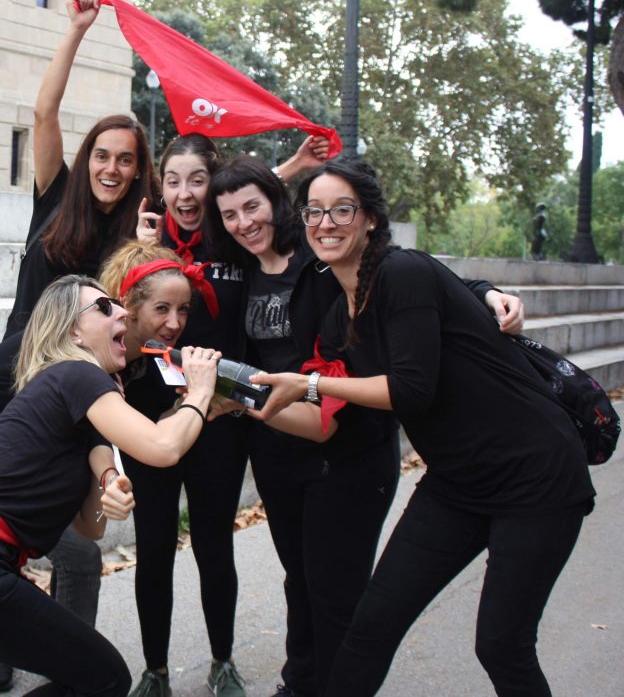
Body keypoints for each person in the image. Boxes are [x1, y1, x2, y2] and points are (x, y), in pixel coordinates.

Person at [253, 159, 595, 697]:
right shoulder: (341, 316)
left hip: (536, 475)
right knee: (371, 626)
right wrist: (244, 405)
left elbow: (411, 390)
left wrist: (311, 385)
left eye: (342, 209)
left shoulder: (400, 272)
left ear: (369, 219)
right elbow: (326, 422)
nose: (326, 223)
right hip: (458, 484)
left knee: (502, 646)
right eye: (314, 211)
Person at [202, 156, 525, 697]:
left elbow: (413, 282)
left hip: (348, 449)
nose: (243, 223)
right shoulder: (235, 273)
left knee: (337, 594)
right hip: (278, 447)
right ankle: (300, 682)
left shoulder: (325, 253)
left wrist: (487, 292)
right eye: (230, 214)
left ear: (279, 205)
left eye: (252, 207)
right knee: (300, 582)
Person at [0, 275, 220, 697]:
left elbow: (92, 528)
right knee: (105, 678)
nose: (122, 311)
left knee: (94, 678)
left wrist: (110, 492)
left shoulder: (76, 405)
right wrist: (199, 391)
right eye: (105, 308)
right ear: (73, 331)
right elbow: (164, 447)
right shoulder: (75, 372)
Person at [122, 134, 327, 697]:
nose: (185, 193)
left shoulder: (231, 238)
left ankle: (222, 661)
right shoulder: (146, 238)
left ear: (211, 184)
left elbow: (253, 204)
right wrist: (143, 252)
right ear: (159, 186)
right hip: (151, 417)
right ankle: (155, 669)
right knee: (155, 544)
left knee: (216, 542)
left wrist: (291, 168)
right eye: (172, 180)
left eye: (197, 180)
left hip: (222, 419)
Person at [5, 0, 158, 338]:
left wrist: (142, 254)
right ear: (87, 159)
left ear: (137, 171)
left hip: (89, 369)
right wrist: (77, 29)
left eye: (124, 160)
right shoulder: (56, 193)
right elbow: (44, 113)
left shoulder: (142, 228)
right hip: (23, 353)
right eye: (101, 156)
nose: (110, 169)